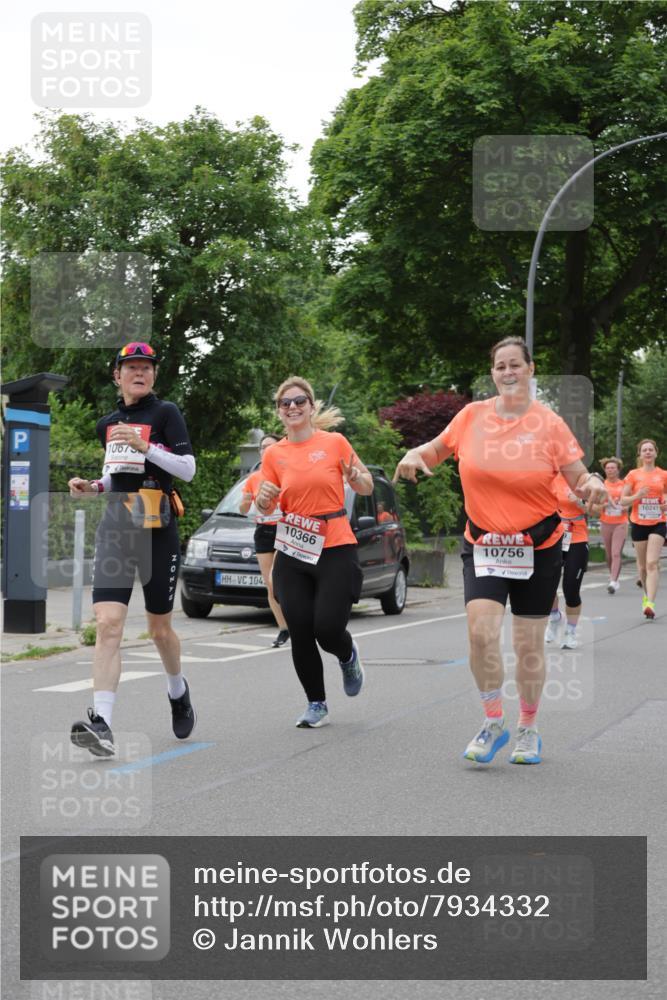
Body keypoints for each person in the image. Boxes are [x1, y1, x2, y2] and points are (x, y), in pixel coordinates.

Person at [393, 336, 606, 766]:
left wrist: (595, 484)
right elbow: (434, 450)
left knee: (528, 646)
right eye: (500, 366)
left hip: (538, 547)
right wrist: (415, 454)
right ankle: (494, 721)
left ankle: (528, 728)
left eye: (515, 365)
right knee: (480, 634)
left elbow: (578, 477)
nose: (508, 372)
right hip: (485, 544)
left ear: (530, 370)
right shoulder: (471, 417)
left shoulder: (549, 424)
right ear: (492, 373)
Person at [67, 342, 197, 756]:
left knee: (159, 629)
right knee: (108, 624)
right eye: (131, 367)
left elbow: (188, 470)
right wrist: (93, 486)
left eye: (146, 368)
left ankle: (177, 690)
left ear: (154, 375)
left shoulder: (166, 414)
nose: (139, 373)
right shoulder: (107, 423)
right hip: (117, 528)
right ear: (117, 375)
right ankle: (102, 723)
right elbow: (114, 476)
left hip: (157, 529)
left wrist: (148, 448)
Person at [255, 376, 374, 728]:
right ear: (279, 412)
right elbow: (266, 504)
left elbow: (364, 483)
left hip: (334, 543)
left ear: (311, 405)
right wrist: (263, 501)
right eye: (285, 403)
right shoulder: (273, 454)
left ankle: (347, 653)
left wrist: (356, 478)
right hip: (293, 547)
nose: (292, 407)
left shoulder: (335, 443)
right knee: (301, 629)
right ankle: (316, 703)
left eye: (299, 401)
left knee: (327, 627)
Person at [239, 434, 289, 647]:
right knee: (269, 586)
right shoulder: (253, 478)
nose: (265, 450)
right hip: (263, 531)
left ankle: (298, 621)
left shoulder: (286, 472)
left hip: (285, 529)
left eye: (270, 446)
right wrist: (247, 500)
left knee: (275, 579)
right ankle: (284, 629)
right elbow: (243, 509)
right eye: (262, 447)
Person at [620, 439, 667, 619]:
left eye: (650, 450)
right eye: (644, 450)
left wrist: (665, 504)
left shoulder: (663, 474)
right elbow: (623, 500)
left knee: (652, 562)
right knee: (642, 567)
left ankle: (651, 604)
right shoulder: (633, 475)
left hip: (658, 522)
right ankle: (646, 596)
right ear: (640, 454)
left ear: (656, 453)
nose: (647, 452)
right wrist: (637, 495)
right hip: (639, 523)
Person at [544, 474, 589, 649]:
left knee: (571, 589)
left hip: (576, 538)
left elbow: (596, 510)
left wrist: (579, 502)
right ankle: (554, 617)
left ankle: (570, 631)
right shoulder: (547, 477)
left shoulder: (583, 480)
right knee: (545, 585)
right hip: (551, 536)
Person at [588, 457, 627, 594]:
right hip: (606, 522)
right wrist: (603, 505)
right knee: (609, 555)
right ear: (605, 470)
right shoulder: (601, 485)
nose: (610, 470)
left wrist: (625, 506)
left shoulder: (624, 484)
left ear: (618, 470)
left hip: (621, 523)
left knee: (616, 553)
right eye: (608, 468)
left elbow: (630, 501)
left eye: (613, 468)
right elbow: (594, 506)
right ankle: (614, 576)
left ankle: (613, 581)